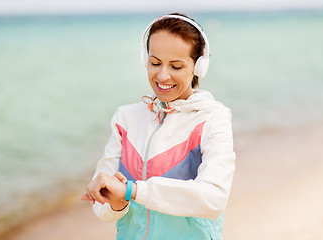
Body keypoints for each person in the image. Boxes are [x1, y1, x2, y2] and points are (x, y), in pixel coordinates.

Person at [82, 13, 236, 240]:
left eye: (176, 66)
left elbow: (213, 198)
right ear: (145, 59)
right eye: (155, 63)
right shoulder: (125, 119)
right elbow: (102, 207)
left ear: (199, 66)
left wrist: (133, 191)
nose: (163, 75)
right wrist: (116, 203)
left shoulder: (213, 119)